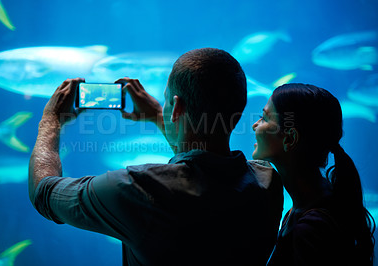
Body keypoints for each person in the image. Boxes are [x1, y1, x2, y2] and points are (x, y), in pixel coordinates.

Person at [28, 48, 283, 265]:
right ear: (238, 113)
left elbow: (43, 193)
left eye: (167, 101)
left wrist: (50, 122)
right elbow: (202, 166)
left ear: (177, 107)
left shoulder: (135, 189)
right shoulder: (268, 183)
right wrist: (159, 115)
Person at [252, 83, 376, 265]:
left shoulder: (313, 227)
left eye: (264, 118)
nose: (255, 125)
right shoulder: (312, 201)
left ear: (290, 138)